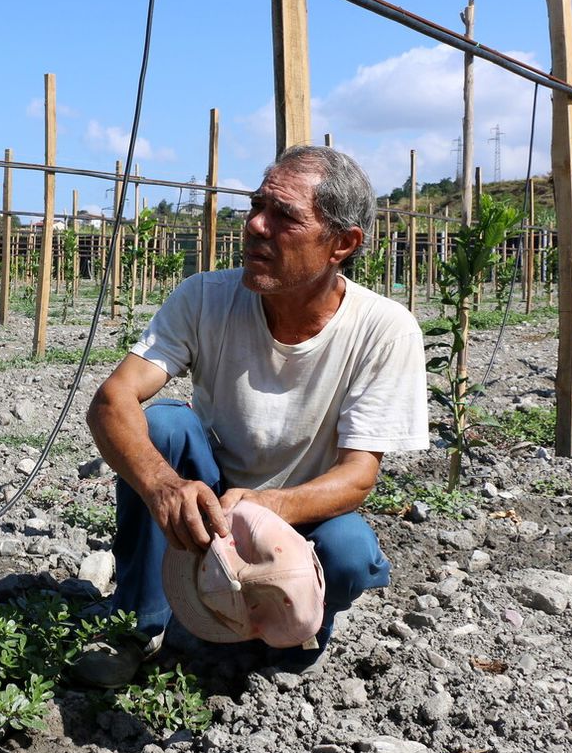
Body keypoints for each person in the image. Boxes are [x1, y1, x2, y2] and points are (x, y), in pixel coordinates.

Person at [74, 145, 429, 687]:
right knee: (165, 427)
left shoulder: (384, 329)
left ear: (343, 243)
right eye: (256, 205)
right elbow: (112, 400)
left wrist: (267, 506)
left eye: (285, 215)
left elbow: (359, 475)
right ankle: (139, 623)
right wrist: (165, 485)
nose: (257, 226)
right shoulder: (204, 298)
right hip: (211, 498)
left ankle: (281, 633)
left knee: (350, 552)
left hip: (300, 514)